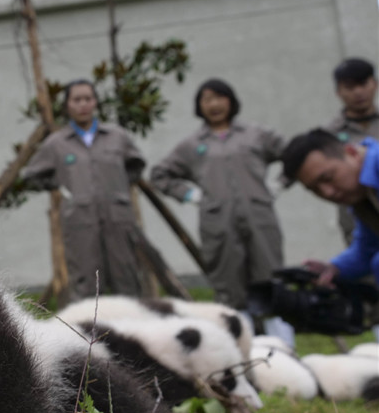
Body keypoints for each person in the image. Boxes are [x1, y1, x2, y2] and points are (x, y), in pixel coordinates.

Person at [150, 78, 295, 344]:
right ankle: (241, 348)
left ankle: (284, 347)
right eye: (207, 99)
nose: (214, 104)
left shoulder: (255, 134)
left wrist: (280, 184)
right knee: (230, 288)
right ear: (199, 106)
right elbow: (160, 174)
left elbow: (295, 155)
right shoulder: (192, 145)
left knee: (272, 281)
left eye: (219, 97)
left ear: (231, 101)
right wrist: (190, 195)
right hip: (219, 226)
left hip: (259, 219)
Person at [22, 79, 146, 302]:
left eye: (88, 99)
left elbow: (136, 165)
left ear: (95, 102)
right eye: (76, 100)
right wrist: (59, 184)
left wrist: (117, 187)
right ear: (67, 105)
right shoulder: (57, 143)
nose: (83, 104)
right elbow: (31, 174)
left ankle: (131, 324)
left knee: (127, 280)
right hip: (80, 223)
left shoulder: (117, 136)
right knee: (86, 285)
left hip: (119, 220)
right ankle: (88, 326)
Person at [280, 128, 379, 343]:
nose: (328, 192)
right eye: (315, 189)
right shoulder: (364, 195)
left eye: (328, 178)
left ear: (351, 152)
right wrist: (334, 269)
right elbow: (368, 247)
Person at [323, 58, 379, 243]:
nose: (358, 92)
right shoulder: (329, 135)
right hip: (357, 219)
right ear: (338, 92)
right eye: (350, 87)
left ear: (375, 84)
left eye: (363, 84)